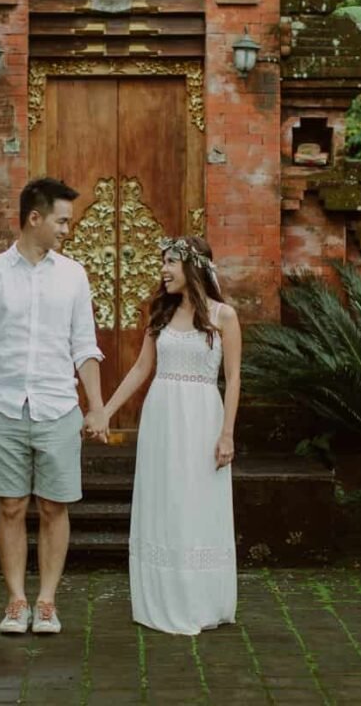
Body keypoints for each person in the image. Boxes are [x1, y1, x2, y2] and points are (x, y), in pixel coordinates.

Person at [0, 177, 110, 636]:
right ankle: (15, 600)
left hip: (58, 407)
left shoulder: (74, 275)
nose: (68, 229)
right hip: (1, 408)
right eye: (62, 220)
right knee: (9, 506)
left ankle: (46, 601)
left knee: (53, 507)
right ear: (34, 218)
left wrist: (97, 406)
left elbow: (85, 347)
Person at [102, 235, 240, 635]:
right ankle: (162, 597)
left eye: (170, 263)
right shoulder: (160, 316)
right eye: (162, 262)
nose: (163, 270)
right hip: (162, 418)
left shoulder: (224, 316)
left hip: (202, 417)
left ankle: (201, 599)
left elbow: (232, 379)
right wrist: (106, 411)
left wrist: (227, 433)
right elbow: (140, 370)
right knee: (165, 503)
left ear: (193, 267)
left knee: (196, 504)